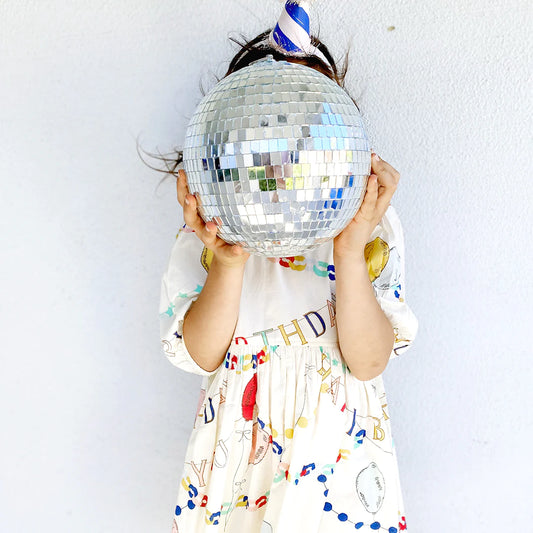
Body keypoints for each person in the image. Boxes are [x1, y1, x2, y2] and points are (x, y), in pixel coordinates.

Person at [158, 2, 418, 531]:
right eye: (268, 132)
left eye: (306, 130)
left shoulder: (366, 227)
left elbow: (369, 361)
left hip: (336, 462)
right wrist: (227, 262)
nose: (287, 155)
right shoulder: (212, 230)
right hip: (240, 460)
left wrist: (349, 252)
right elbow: (202, 354)